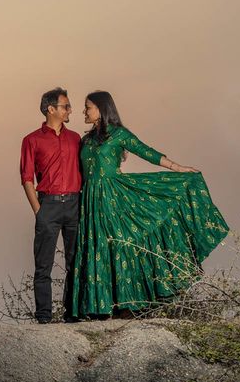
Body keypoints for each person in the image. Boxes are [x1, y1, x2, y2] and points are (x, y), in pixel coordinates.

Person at [71, 91, 229, 318]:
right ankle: (98, 306)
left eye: (88, 107)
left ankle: (127, 304)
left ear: (102, 109)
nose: (84, 111)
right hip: (90, 198)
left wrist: (177, 167)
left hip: (115, 195)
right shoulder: (85, 140)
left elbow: (145, 151)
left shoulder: (119, 134)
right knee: (97, 246)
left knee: (121, 243)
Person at [20, 87, 82, 324]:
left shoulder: (76, 138)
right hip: (49, 205)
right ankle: (44, 317)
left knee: (75, 263)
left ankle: (72, 313)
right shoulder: (31, 140)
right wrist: (39, 210)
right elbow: (26, 178)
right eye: (66, 106)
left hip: (75, 204)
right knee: (43, 265)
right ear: (51, 109)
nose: (70, 110)